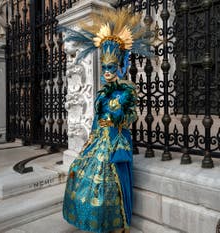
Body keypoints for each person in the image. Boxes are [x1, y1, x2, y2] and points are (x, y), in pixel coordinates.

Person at [61, 7, 151, 233]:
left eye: (112, 67)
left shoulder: (127, 91)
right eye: (105, 67)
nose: (108, 72)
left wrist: (117, 113)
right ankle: (90, 221)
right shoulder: (102, 93)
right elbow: (96, 119)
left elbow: (131, 116)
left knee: (109, 182)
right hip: (98, 140)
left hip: (115, 140)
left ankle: (116, 223)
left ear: (119, 67)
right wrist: (89, 141)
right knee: (80, 171)